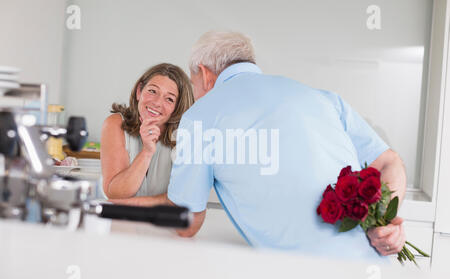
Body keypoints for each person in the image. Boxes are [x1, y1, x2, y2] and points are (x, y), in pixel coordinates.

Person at [130, 32, 407, 261]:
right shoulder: (322, 97)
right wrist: (385, 222)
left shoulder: (199, 117)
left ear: (204, 74)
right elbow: (389, 161)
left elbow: (186, 223)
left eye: (194, 84)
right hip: (375, 271)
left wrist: (122, 206)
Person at [100, 63, 194, 202]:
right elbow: (115, 193)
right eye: (152, 91)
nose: (157, 103)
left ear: (177, 108)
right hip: (122, 221)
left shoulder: (186, 135)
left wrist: (136, 205)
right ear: (139, 91)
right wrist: (147, 151)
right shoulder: (115, 124)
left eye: (169, 99)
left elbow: (183, 198)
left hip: (165, 222)